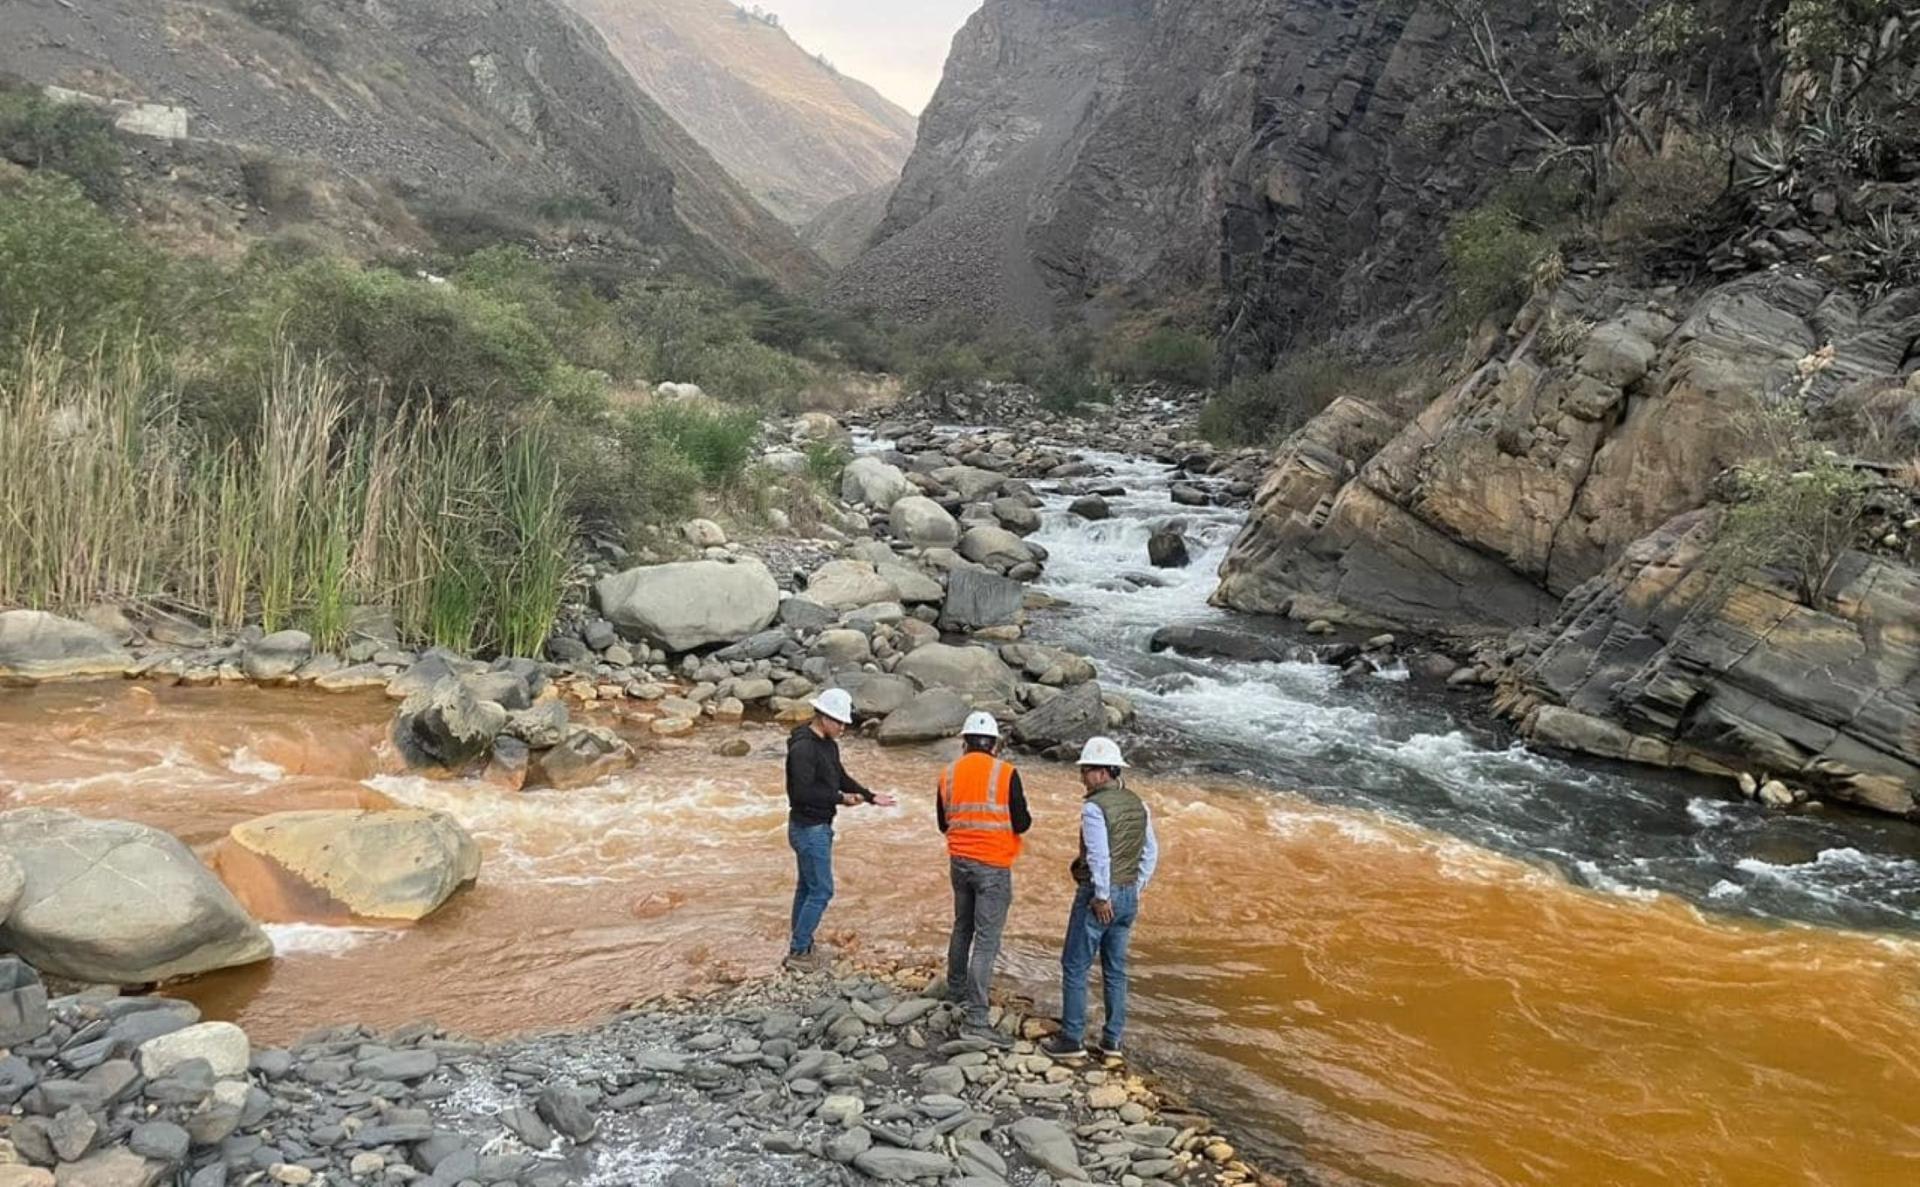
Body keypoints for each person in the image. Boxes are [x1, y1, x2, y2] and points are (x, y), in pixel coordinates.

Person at [1041, 736, 1159, 1062]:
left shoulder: (1094, 808)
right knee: (1116, 970)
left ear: (1103, 773)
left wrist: (1103, 896)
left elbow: (1099, 856)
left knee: (1075, 965)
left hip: (1099, 896)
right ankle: (1112, 1042)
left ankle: (1072, 1038)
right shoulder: (1139, 804)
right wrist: (1136, 888)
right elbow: (1151, 853)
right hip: (1129, 894)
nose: (1082, 776)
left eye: (1086, 769)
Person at [935, 711, 1032, 1047]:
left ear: (964, 743)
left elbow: (943, 823)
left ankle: (956, 990)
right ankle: (976, 1018)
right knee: (987, 940)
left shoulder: (947, 774)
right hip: (992, 864)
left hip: (959, 861)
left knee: (962, 927)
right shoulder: (1006, 773)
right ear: (994, 744)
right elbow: (1021, 824)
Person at [784, 689, 894, 971]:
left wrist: (869, 796)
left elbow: (840, 777)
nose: (843, 728)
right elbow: (801, 793)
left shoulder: (827, 744)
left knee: (807, 887)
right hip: (808, 828)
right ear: (822, 717)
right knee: (821, 891)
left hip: (817, 826)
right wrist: (840, 799)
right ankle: (799, 952)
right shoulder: (803, 749)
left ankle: (801, 943)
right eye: (839, 723)